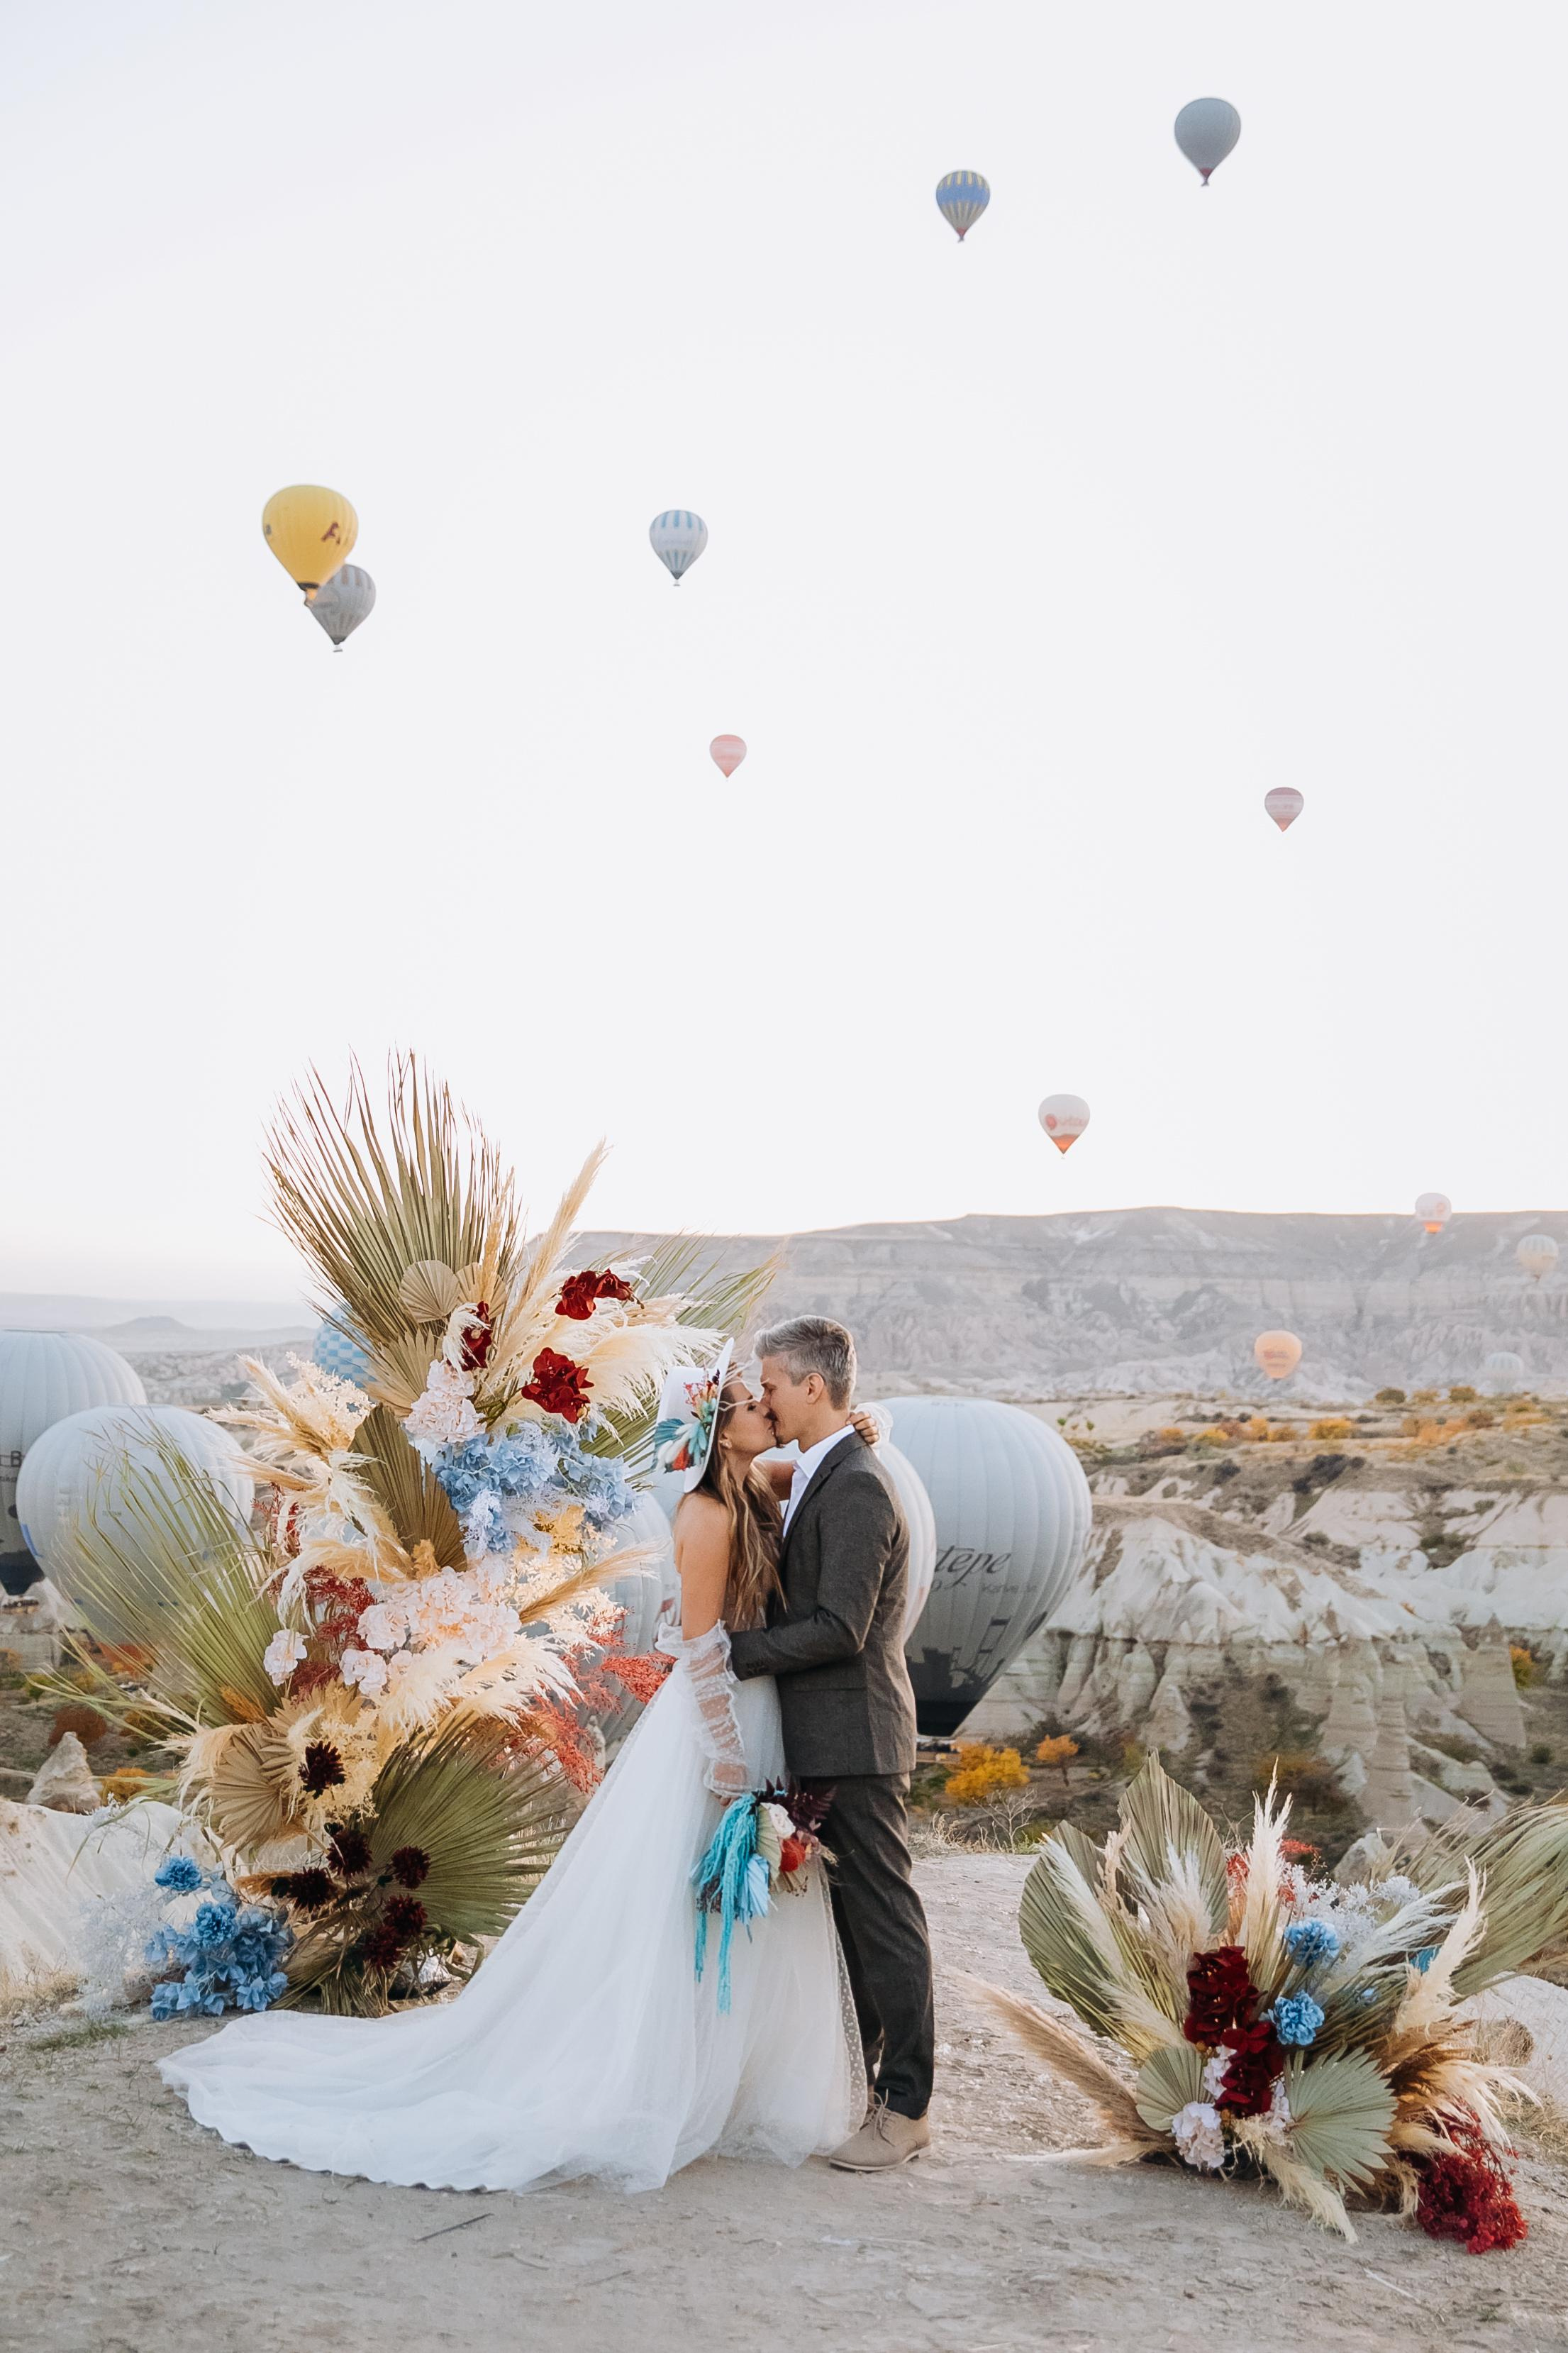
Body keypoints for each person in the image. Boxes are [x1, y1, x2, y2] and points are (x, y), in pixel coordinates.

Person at [157, 1346, 866, 2194]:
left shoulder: (750, 1486)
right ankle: (665, 2074)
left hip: (756, 1712)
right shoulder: (710, 1513)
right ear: (718, 1430)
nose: (766, 1408)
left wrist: (863, 1427)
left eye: (763, 1398)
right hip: (721, 1723)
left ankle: (730, 2072)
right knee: (690, 1904)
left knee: (739, 1904)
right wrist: (728, 1763)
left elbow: (811, 1469)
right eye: (750, 1404)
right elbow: (702, 1646)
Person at [730, 1315, 935, 2172]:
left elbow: (841, 1626)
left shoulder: (856, 1486)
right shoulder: (826, 1467)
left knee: (883, 1920)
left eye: (772, 1383)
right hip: (828, 1734)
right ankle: (872, 2089)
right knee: (852, 1924)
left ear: (813, 1386)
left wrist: (733, 1651)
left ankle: (907, 2107)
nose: (765, 1397)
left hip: (858, 1734)